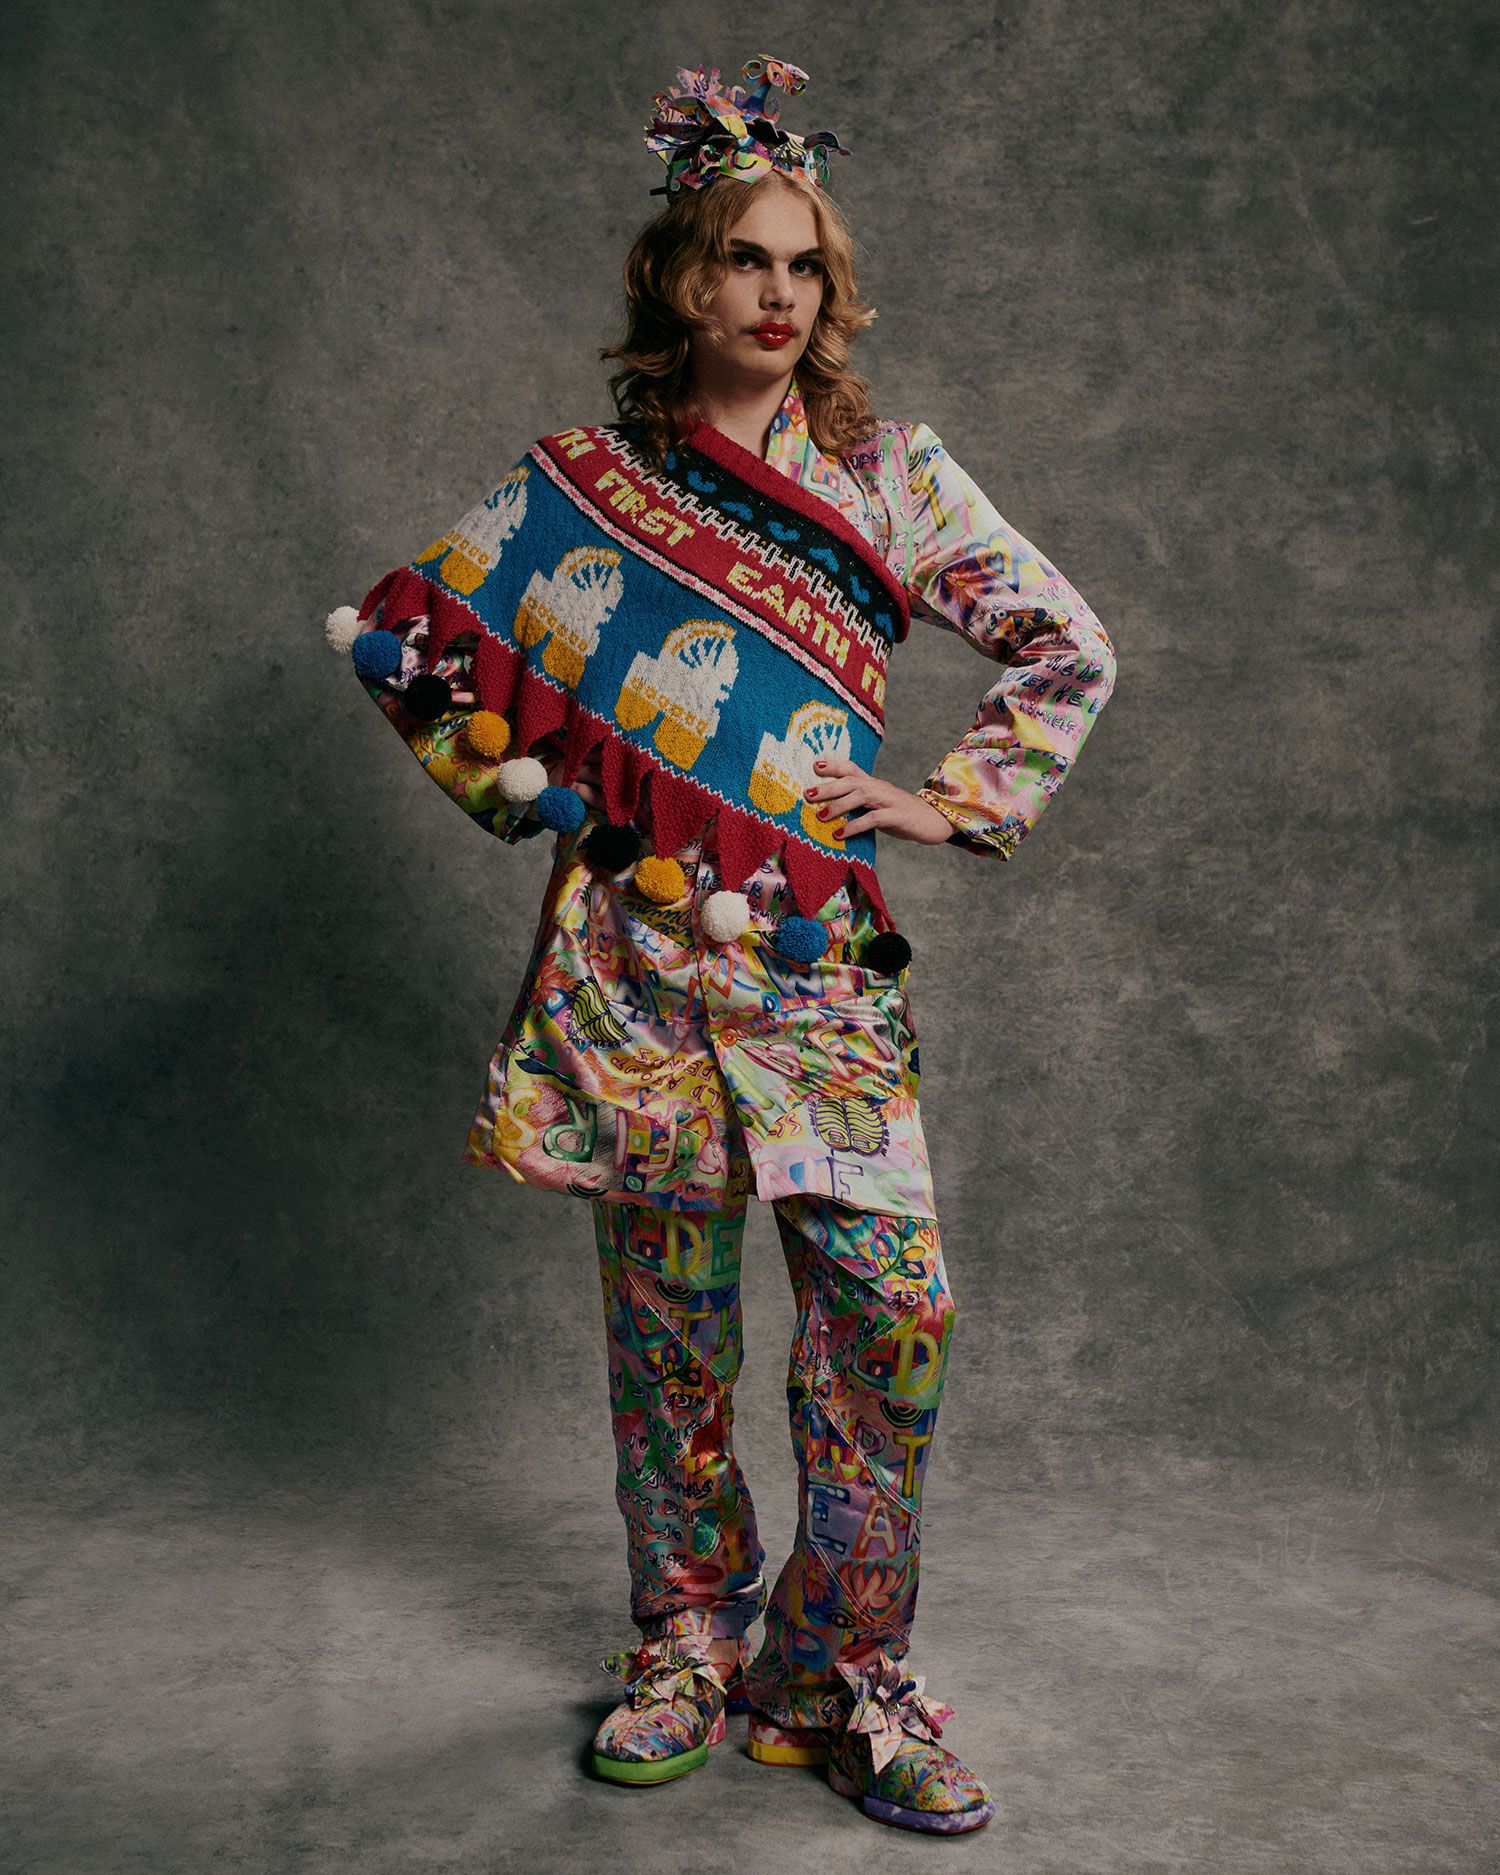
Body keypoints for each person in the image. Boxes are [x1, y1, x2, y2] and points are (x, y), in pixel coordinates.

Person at [325, 54, 1116, 1837]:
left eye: (805, 268)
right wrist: (534, 796)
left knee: (891, 1315)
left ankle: (840, 1674)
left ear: (829, 296)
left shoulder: (892, 481)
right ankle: (686, 1637)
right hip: (637, 970)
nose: (776, 294)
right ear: (678, 281)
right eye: (743, 260)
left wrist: (953, 799)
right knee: (670, 1328)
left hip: (821, 966)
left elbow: (1067, 647)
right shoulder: (584, 485)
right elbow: (406, 650)